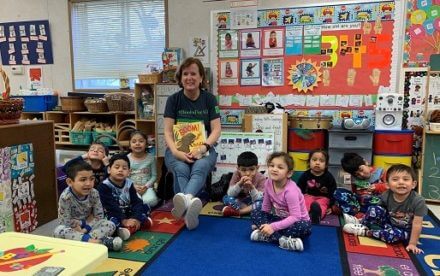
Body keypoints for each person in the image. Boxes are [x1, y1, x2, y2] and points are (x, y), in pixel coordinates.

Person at [163, 57, 221, 230]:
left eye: (194, 74)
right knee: (180, 168)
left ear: (201, 77)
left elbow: (216, 130)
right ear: (180, 78)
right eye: (185, 74)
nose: (189, 77)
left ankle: (185, 201)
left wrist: (204, 147)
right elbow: (167, 131)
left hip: (203, 149)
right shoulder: (173, 100)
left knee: (200, 167)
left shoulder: (210, 99)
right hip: (176, 150)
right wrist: (175, 152)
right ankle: (189, 209)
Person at [342, 164, 427, 254]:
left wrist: (413, 244)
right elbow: (377, 211)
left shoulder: (418, 201)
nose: (401, 182)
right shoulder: (387, 194)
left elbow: (417, 224)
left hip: (404, 232)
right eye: (395, 179)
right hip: (388, 223)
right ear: (387, 184)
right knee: (374, 209)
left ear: (413, 184)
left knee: (393, 235)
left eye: (406, 179)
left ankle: (365, 231)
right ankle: (360, 222)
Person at [53, 160, 122, 251]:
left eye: (91, 179)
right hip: (73, 229)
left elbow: (99, 216)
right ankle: (98, 242)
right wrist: (77, 228)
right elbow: (64, 222)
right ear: (70, 182)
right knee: (59, 230)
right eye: (83, 180)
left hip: (89, 227)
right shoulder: (66, 197)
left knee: (109, 224)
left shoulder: (94, 193)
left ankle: (87, 241)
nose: (88, 183)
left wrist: (85, 228)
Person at [250, 152, 311, 252]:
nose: (274, 169)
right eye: (272, 165)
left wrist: (272, 227)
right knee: (255, 210)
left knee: (305, 228)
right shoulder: (268, 183)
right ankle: (282, 240)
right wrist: (265, 222)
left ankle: (266, 234)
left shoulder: (291, 191)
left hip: (297, 222)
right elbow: (265, 207)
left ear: (289, 173)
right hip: (280, 219)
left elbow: (295, 217)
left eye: (280, 167)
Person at [98, 154, 153, 241]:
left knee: (145, 206)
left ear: (129, 172)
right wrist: (123, 220)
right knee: (110, 221)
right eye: (117, 167)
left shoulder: (129, 183)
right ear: (109, 169)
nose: (120, 170)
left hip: (127, 211)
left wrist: (135, 217)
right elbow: (110, 206)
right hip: (113, 213)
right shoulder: (104, 185)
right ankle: (122, 229)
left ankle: (134, 224)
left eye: (124, 168)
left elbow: (136, 201)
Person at [297, 150, 337, 224]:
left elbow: (333, 191)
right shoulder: (305, 175)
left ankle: (316, 216)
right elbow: (299, 189)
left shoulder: (329, 177)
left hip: (323, 198)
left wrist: (331, 206)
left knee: (321, 205)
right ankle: (306, 215)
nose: (317, 163)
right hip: (308, 196)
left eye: (321, 161)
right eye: (314, 160)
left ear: (326, 164)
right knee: (305, 203)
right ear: (309, 162)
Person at [222, 151, 266, 217]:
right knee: (226, 198)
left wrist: (252, 187)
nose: (248, 173)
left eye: (251, 169)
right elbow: (230, 194)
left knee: (263, 202)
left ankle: (239, 212)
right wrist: (239, 184)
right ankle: (249, 210)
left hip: (253, 201)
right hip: (240, 201)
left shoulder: (261, 178)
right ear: (238, 169)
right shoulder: (236, 174)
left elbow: (259, 198)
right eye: (243, 170)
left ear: (257, 168)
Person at [127, 130, 159, 209]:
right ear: (130, 145)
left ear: (146, 144)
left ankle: (140, 206)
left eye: (141, 141)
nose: (137, 143)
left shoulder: (151, 158)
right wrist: (133, 186)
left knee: (152, 201)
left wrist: (146, 186)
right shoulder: (127, 158)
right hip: (131, 187)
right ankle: (139, 206)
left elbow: (154, 176)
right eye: (134, 142)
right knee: (129, 199)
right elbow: (125, 176)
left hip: (146, 188)